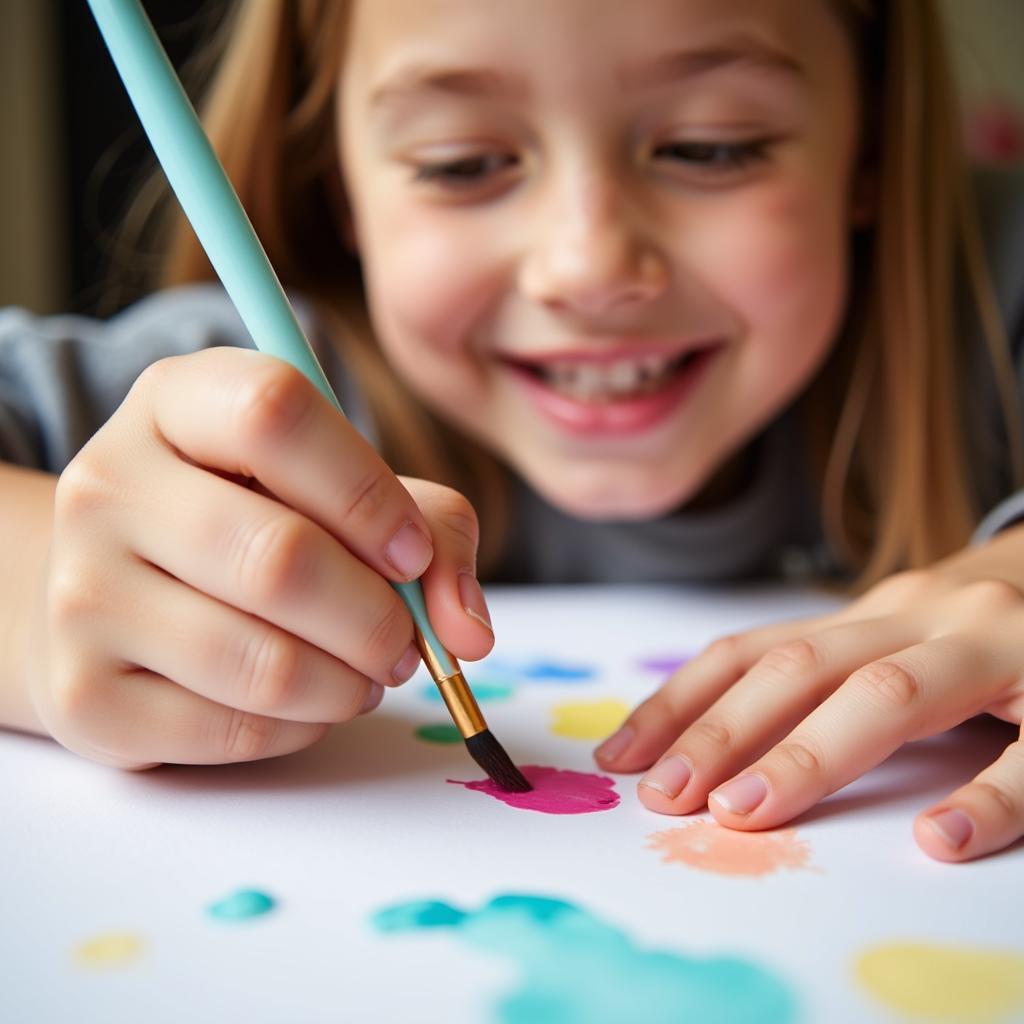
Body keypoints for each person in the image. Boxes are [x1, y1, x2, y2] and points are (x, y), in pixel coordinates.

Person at [1, 0, 1022, 863]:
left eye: (710, 146)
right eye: (463, 162)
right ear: (338, 183)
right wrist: (40, 589)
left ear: (869, 149)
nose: (585, 266)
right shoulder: (250, 400)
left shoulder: (985, 305)